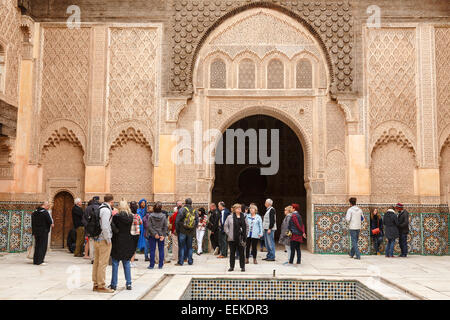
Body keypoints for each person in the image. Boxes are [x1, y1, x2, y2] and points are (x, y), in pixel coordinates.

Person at [109, 200, 134, 291]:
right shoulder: (131, 217)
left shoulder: (116, 217)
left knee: (115, 263)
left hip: (117, 240)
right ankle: (129, 283)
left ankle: (114, 284)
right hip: (127, 240)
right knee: (126, 263)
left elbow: (113, 228)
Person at [92, 194, 115, 293]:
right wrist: (108, 239)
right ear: (112, 201)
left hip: (97, 239)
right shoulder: (106, 210)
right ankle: (101, 285)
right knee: (102, 263)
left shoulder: (100, 208)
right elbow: (105, 226)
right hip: (103, 240)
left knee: (97, 262)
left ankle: (96, 284)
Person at [224, 203, 248, 272]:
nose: (239, 209)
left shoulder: (244, 217)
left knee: (241, 253)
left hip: (241, 238)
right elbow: (226, 226)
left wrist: (245, 235)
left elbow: (247, 226)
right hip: (232, 238)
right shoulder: (230, 217)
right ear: (234, 209)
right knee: (232, 253)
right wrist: (229, 234)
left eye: (240, 208)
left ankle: (242, 267)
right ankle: (231, 267)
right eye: (238, 208)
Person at [175, 198, 198, 266]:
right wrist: (193, 229)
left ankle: (181, 262)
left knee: (181, 247)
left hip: (182, 231)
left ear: (185, 203)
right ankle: (190, 261)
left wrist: (177, 230)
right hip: (190, 232)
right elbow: (197, 221)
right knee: (190, 247)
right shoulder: (194, 211)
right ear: (191, 203)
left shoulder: (182, 210)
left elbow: (177, 221)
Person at [147, 201, 168, 269]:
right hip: (161, 234)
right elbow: (165, 226)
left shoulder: (150, 216)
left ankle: (151, 265)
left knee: (152, 250)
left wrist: (154, 233)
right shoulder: (164, 216)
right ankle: (160, 265)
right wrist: (163, 235)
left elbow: (149, 226)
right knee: (161, 250)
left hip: (152, 235)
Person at [31, 201, 53, 266]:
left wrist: (33, 232)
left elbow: (32, 223)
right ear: (45, 205)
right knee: (42, 246)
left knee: (37, 246)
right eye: (48, 206)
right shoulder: (45, 212)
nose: (48, 207)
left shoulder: (34, 212)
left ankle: (35, 261)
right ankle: (40, 261)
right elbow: (50, 221)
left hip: (36, 232)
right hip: (43, 232)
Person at [84, 196, 100, 263]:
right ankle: (96, 258)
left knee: (91, 242)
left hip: (90, 229)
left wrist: (87, 227)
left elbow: (84, 219)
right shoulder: (100, 207)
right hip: (97, 229)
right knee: (98, 243)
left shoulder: (87, 208)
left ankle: (92, 258)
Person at [129, 201, 141, 268]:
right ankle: (132, 262)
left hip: (129, 233)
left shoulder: (128, 215)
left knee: (129, 247)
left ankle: (129, 261)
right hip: (136, 233)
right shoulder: (137, 216)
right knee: (134, 248)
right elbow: (141, 222)